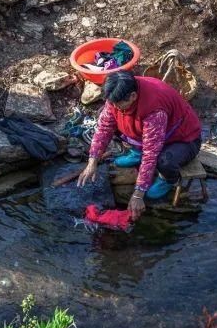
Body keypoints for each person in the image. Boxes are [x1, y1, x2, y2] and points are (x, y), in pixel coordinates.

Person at [76, 71, 202, 222]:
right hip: (149, 135)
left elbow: (151, 154)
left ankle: (168, 179)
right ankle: (137, 152)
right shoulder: (118, 95)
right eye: (112, 103)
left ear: (133, 96)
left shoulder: (155, 110)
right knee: (108, 120)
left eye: (118, 104)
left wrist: (138, 194)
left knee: (164, 162)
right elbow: (104, 128)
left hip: (183, 139)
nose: (114, 107)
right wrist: (92, 161)